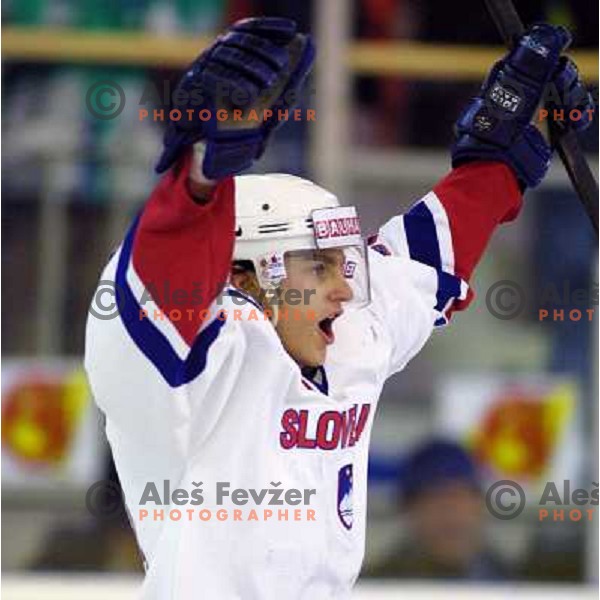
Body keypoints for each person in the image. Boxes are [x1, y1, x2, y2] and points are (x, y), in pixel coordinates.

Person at [84, 16, 592, 599]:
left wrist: (505, 139)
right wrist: (202, 171)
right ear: (244, 275)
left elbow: (426, 259)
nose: (345, 289)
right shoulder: (187, 368)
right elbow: (163, 281)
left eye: (343, 264)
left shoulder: (348, 336)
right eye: (318, 267)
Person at [371, 439, 510, 580]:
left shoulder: (515, 582)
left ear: (479, 505)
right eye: (435, 499)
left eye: (459, 497)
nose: (450, 514)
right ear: (409, 510)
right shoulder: (375, 587)